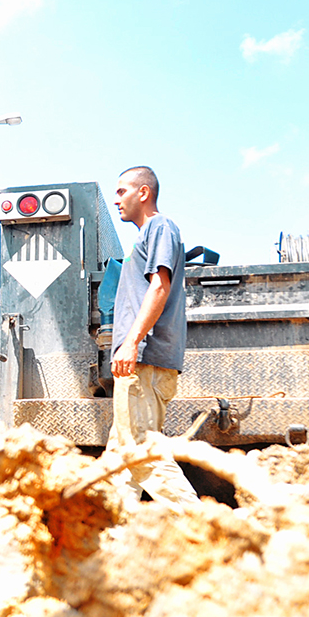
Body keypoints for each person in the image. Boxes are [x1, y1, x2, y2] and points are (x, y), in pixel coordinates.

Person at [105, 165, 199, 510]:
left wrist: (131, 342)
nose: (116, 201)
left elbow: (160, 286)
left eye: (121, 192)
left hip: (144, 360)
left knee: (141, 453)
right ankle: (110, 538)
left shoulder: (159, 227)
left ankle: (210, 530)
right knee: (120, 460)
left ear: (143, 193)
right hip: (141, 362)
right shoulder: (147, 236)